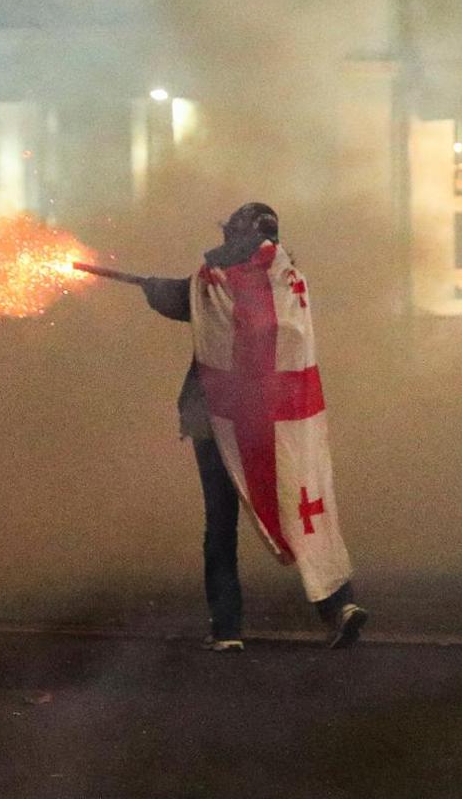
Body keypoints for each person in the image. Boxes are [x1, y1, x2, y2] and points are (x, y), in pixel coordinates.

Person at [139, 202, 367, 651]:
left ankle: (227, 630)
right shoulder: (289, 282)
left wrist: (149, 286)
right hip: (281, 423)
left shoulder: (213, 284)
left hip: (218, 420)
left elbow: (177, 299)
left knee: (220, 525)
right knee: (302, 507)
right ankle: (338, 606)